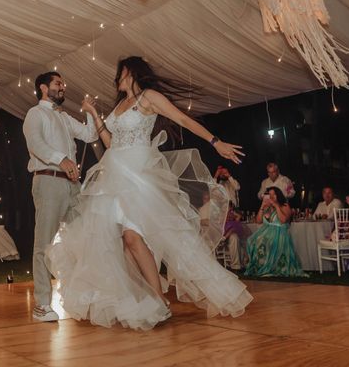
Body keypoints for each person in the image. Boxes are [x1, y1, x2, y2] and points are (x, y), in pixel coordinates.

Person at [45, 56, 253, 331]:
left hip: (139, 174)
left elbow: (181, 118)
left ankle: (162, 299)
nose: (116, 78)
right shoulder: (119, 105)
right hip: (115, 174)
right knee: (125, 239)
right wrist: (95, 115)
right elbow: (110, 143)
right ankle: (152, 298)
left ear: (130, 72)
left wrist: (215, 142)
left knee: (155, 236)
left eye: (120, 73)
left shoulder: (149, 97)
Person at [22, 71, 98, 322]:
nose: (62, 87)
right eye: (58, 84)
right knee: (44, 243)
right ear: (43, 88)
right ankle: (42, 305)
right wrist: (63, 160)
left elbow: (90, 135)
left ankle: (84, 296)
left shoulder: (64, 118)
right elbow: (36, 145)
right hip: (48, 181)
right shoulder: (36, 114)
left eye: (63, 84)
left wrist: (88, 110)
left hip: (72, 186)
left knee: (84, 238)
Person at [245, 187, 305, 277]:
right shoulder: (266, 207)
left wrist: (276, 205)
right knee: (252, 241)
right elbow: (258, 221)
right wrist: (262, 206)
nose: (271, 196)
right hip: (266, 232)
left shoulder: (284, 206)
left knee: (266, 242)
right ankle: (260, 266)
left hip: (280, 234)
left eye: (274, 194)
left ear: (278, 195)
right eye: (270, 194)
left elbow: (283, 220)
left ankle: (272, 267)